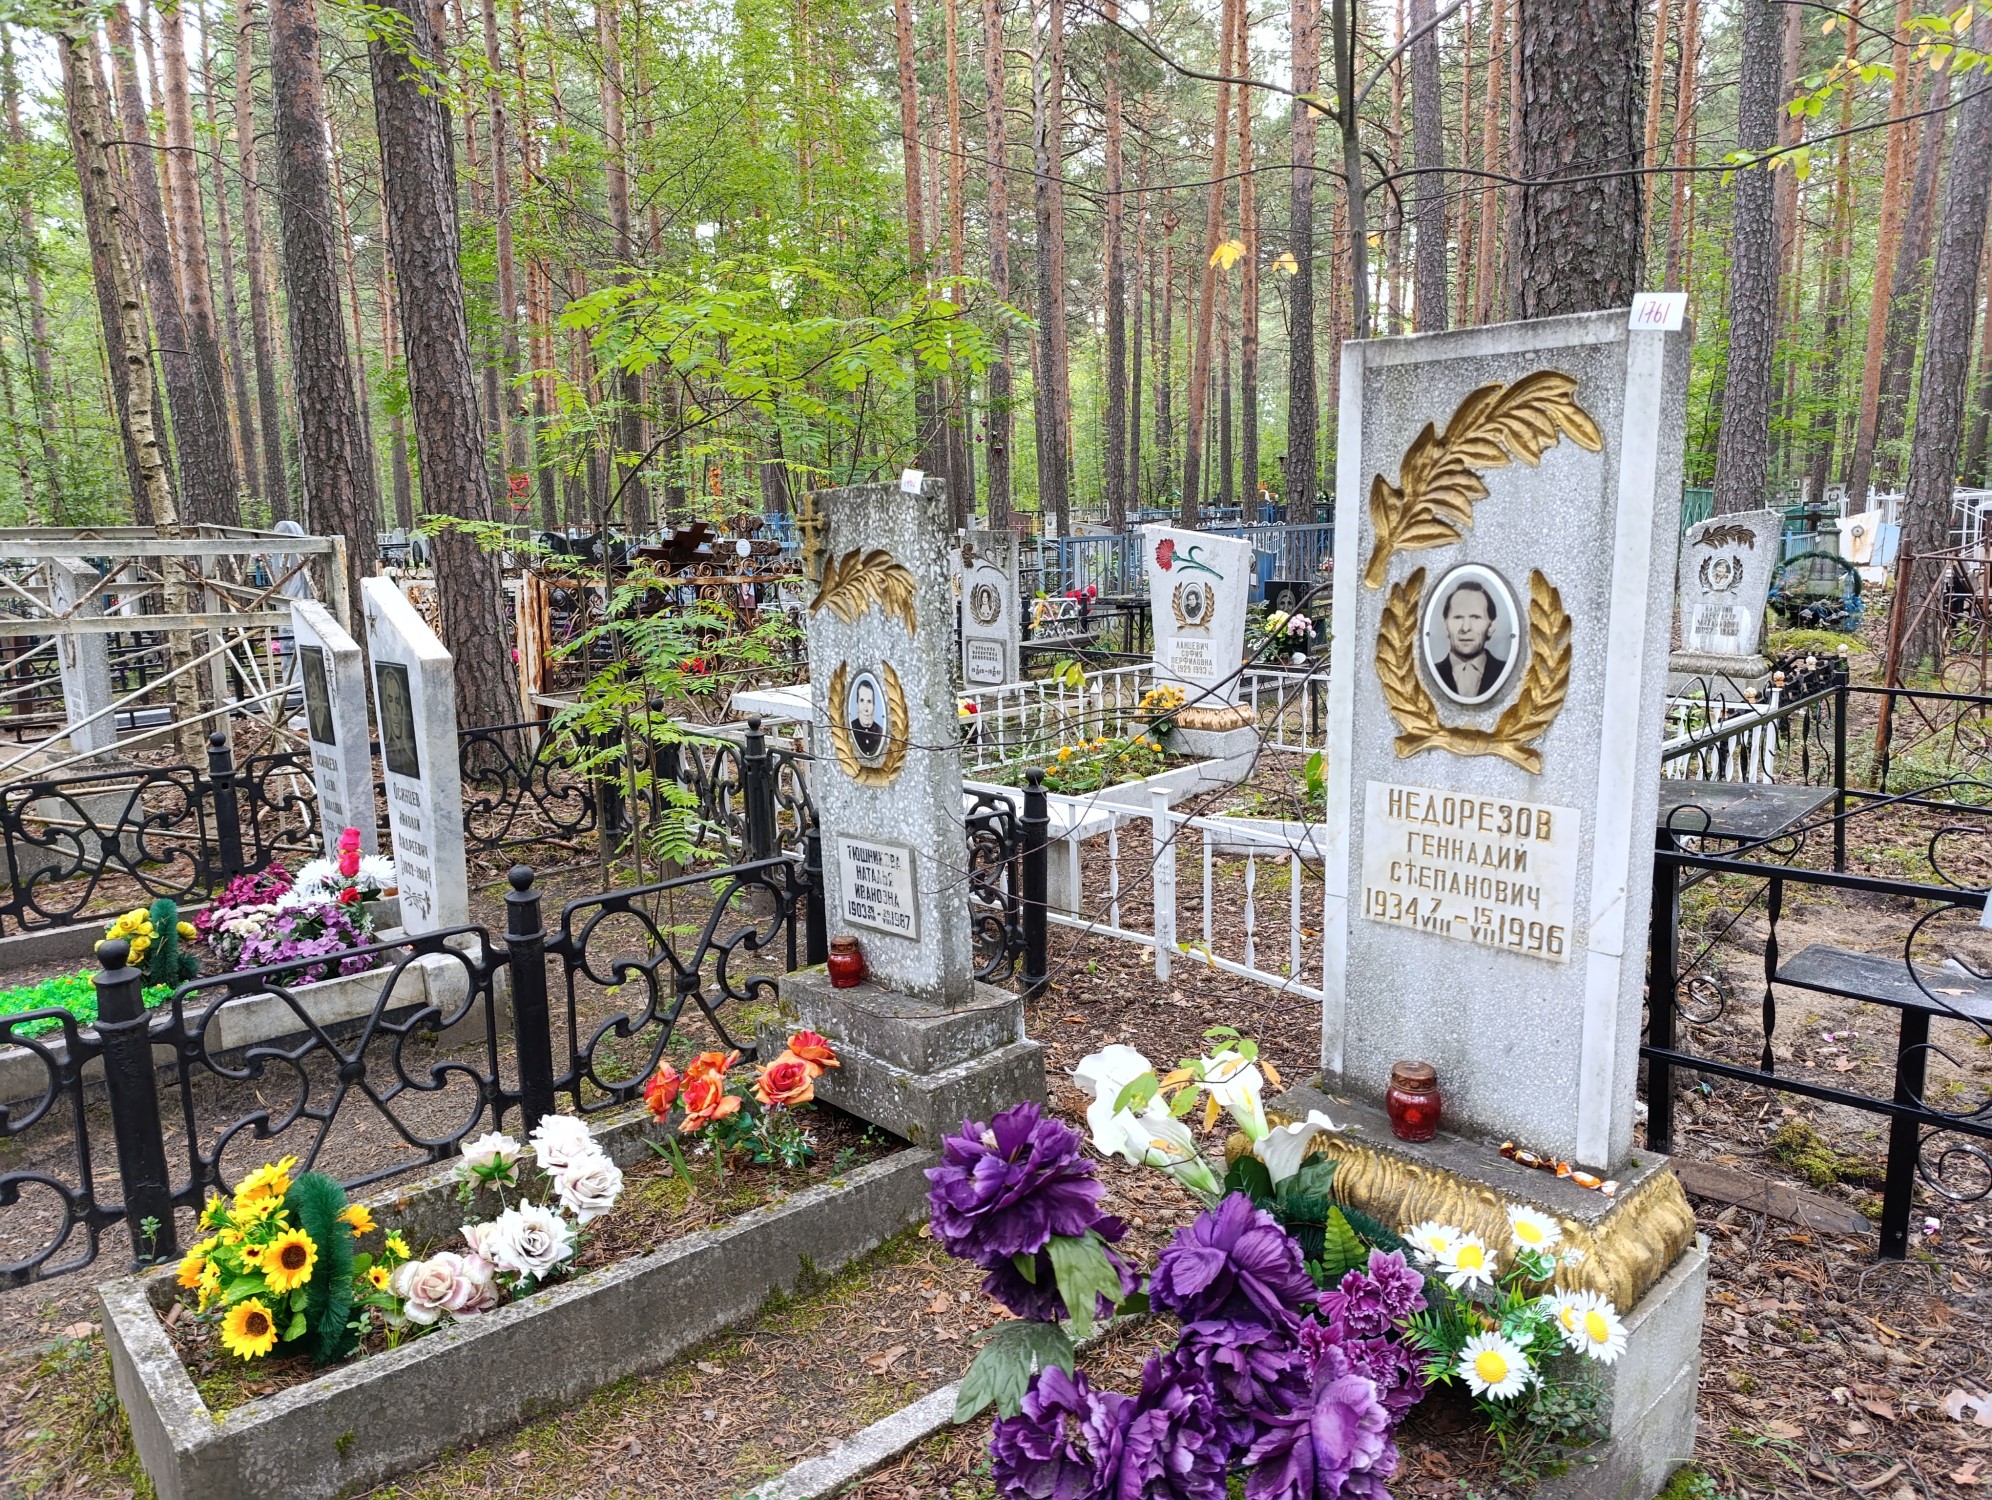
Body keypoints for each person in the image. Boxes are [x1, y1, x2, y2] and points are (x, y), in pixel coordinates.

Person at [1435, 580, 1507, 700]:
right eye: (1458, 617)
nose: (1465, 628)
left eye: (1475, 617)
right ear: (1445, 625)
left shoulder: (1507, 672)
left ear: (1491, 626)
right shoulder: (1431, 674)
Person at [850, 676, 884, 758]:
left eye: (869, 701)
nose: (865, 708)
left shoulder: (880, 732)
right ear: (857, 704)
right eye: (862, 701)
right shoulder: (851, 729)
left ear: (874, 705)